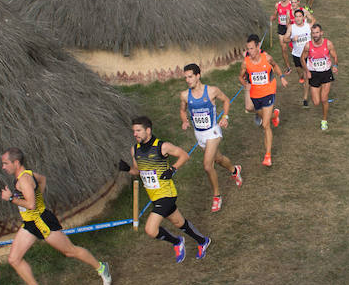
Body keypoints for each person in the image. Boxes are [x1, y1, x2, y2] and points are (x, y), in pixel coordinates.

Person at [0, 147, 111, 285]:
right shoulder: (29, 174)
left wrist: (11, 199)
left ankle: (102, 267)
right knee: (14, 259)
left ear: (16, 163)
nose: (3, 167)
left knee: (69, 251)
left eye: (5, 163)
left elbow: (30, 204)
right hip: (30, 223)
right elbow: (42, 180)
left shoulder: (24, 180)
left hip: (42, 222)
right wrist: (38, 197)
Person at [122, 116, 211, 262]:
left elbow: (184, 155)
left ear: (148, 131)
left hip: (166, 194)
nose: (135, 134)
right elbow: (139, 171)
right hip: (154, 196)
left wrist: (172, 169)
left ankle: (177, 242)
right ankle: (203, 241)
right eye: (134, 131)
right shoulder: (135, 150)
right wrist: (127, 169)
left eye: (138, 130)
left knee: (150, 230)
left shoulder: (162, 146)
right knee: (179, 223)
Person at [179, 63, 242, 212]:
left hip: (213, 131)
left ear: (198, 76)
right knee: (218, 159)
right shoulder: (184, 95)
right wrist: (184, 120)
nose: (187, 80)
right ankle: (234, 170)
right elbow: (182, 110)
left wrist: (225, 117)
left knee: (208, 165)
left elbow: (226, 100)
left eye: (190, 77)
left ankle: (217, 196)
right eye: (185, 78)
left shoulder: (212, 91)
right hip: (199, 134)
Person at [239, 34, 288, 166]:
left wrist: (282, 77)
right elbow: (241, 77)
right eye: (248, 49)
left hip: (268, 92)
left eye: (252, 48)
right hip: (255, 94)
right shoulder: (246, 62)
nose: (250, 52)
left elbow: (276, 65)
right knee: (250, 109)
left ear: (258, 46)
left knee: (265, 125)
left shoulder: (267, 58)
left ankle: (268, 156)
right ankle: (274, 115)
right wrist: (246, 85)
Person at [302, 23, 339, 131]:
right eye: (313, 33)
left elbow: (335, 56)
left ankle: (324, 120)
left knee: (324, 99)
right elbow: (302, 59)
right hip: (313, 74)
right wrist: (307, 71)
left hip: (326, 73)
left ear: (321, 33)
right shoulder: (308, 46)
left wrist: (335, 65)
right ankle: (318, 91)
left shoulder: (328, 44)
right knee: (316, 102)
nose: (315, 35)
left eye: (317, 32)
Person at [283, 7, 314, 105]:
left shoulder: (308, 26)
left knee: (306, 77)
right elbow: (284, 39)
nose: (298, 18)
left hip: (307, 55)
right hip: (296, 55)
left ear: (303, 17)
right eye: (296, 17)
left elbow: (314, 20)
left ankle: (305, 98)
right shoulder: (291, 27)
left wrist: (308, 13)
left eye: (300, 16)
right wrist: (292, 39)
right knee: (300, 73)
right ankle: (302, 77)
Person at [269, 0, 294, 71]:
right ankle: (288, 67)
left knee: (292, 48)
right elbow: (275, 15)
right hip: (281, 27)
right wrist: (273, 17)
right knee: (284, 48)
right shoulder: (277, 5)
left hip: (290, 27)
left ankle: (299, 60)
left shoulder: (291, 4)